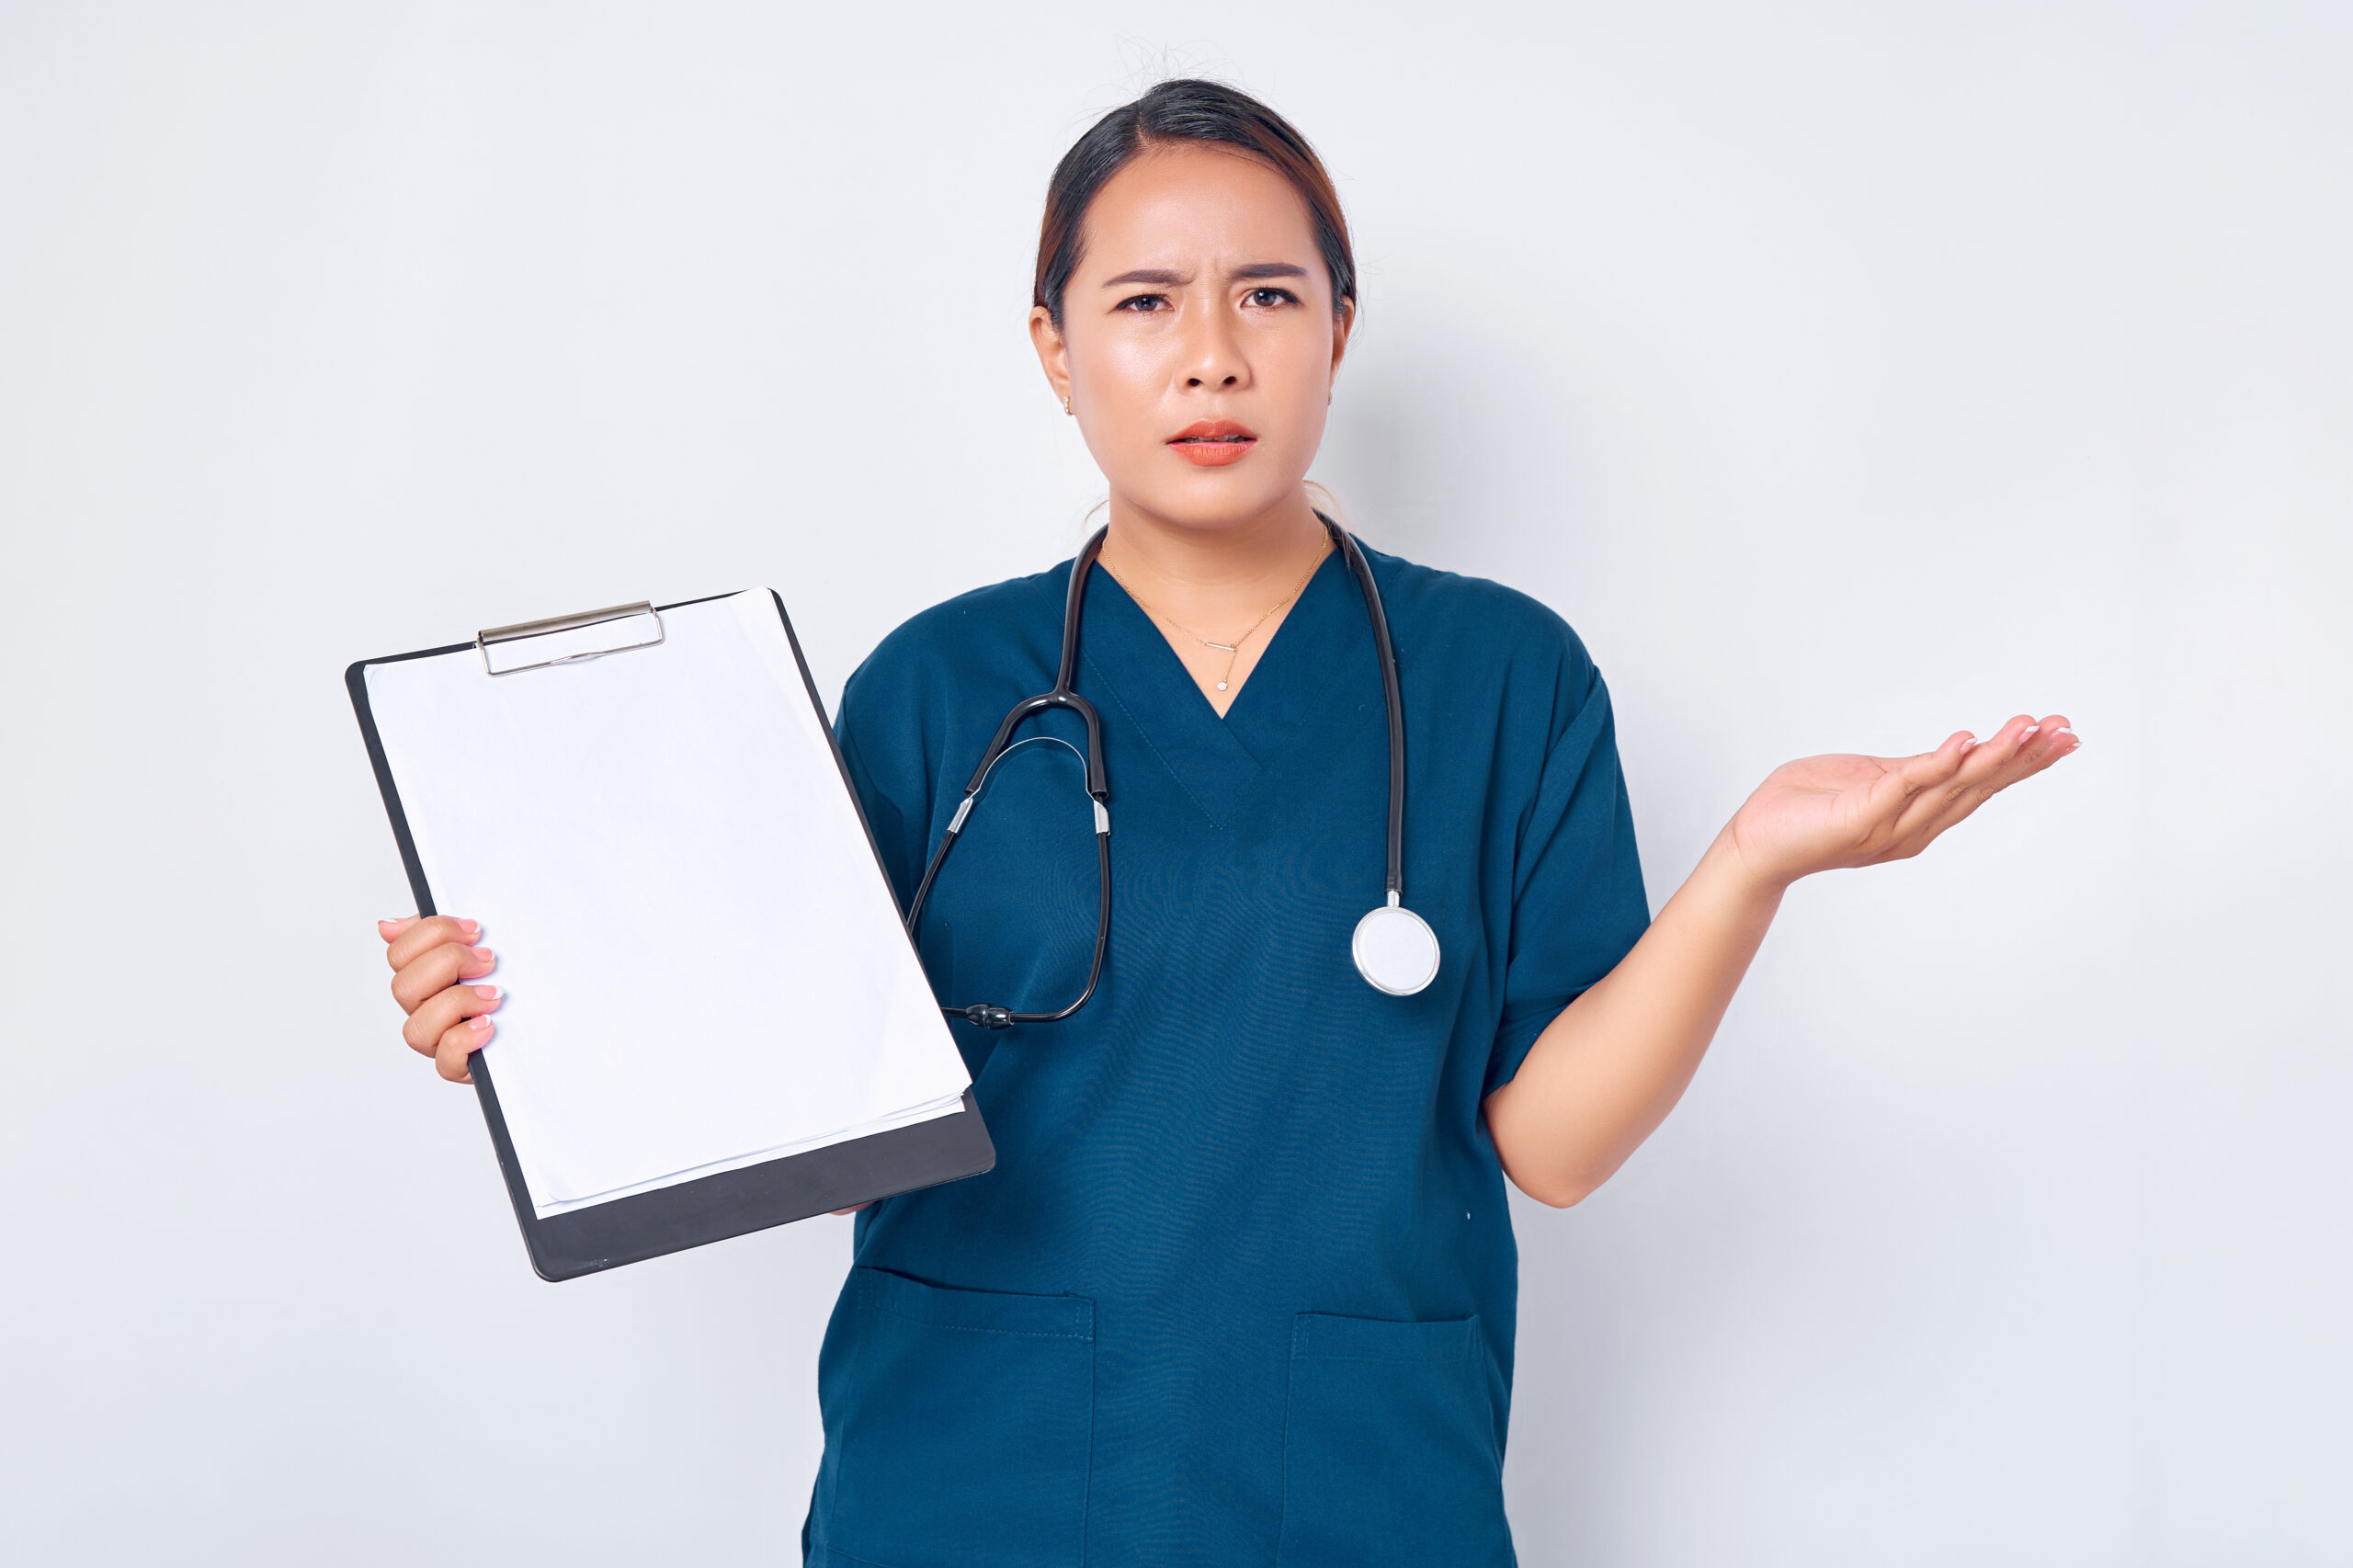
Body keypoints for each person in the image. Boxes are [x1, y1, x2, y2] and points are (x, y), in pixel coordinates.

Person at [375, 79, 2077, 1568]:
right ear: (1054, 348)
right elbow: (787, 1093)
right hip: (971, 1484)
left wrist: (1755, 861)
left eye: (1269, 292)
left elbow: (1553, 1144)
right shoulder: (930, 687)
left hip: (1356, 1492)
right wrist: (530, 1024)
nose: (1211, 351)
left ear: (1341, 328)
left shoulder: (1506, 678)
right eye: (1142, 300)